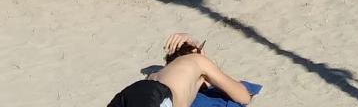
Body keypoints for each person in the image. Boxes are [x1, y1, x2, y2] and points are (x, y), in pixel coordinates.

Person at [106, 32, 252, 107]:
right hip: (157, 95)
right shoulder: (198, 60)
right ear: (195, 50)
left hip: (131, 92)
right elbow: (242, 96)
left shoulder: (160, 73)